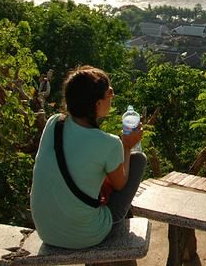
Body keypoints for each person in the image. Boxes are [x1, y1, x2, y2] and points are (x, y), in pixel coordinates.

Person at [30, 66, 146, 249]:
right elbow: (120, 184)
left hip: (46, 231)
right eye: (109, 93)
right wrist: (126, 146)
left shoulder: (54, 123)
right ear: (97, 104)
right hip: (86, 235)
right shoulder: (110, 144)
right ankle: (112, 225)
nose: (112, 96)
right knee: (138, 159)